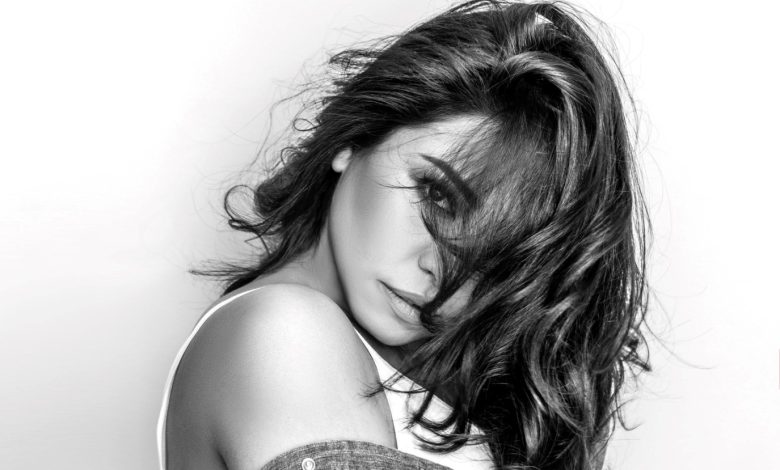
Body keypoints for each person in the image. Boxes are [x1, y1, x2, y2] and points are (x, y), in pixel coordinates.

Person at [157, 1, 650, 469]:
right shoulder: (286, 333)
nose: (443, 270)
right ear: (355, 138)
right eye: (437, 196)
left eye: (495, 248)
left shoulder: (415, 368)